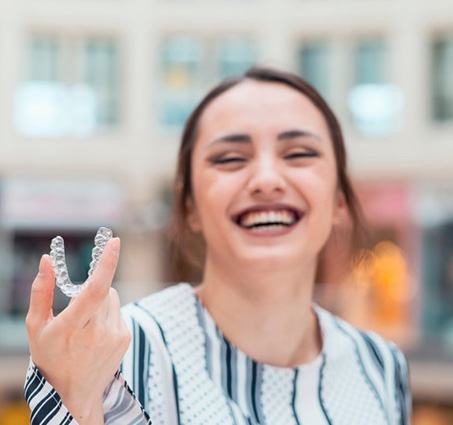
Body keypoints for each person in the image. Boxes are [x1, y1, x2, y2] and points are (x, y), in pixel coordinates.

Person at [23, 67, 412, 425]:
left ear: (340, 200)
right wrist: (76, 400)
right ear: (189, 204)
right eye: (229, 158)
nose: (266, 179)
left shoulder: (381, 365)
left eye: (299, 154)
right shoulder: (115, 355)